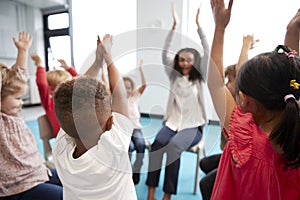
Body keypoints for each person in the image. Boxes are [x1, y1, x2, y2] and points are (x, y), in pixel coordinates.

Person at [208, 0, 300, 199]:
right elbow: (290, 75)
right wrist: (293, 31)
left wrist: (219, 28)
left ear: (244, 100)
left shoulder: (246, 138)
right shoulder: (294, 135)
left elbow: (215, 84)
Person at [52, 34, 137, 200]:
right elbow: (120, 96)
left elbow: (74, 99)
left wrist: (99, 62)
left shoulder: (60, 149)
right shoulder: (114, 147)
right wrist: (108, 57)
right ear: (111, 122)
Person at [146, 3, 208, 200]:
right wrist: (174, 26)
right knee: (157, 145)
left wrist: (199, 26)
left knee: (173, 148)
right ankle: (151, 191)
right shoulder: (173, 77)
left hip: (193, 127)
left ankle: (167, 194)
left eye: (188, 59)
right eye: (181, 60)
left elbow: (207, 49)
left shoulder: (200, 77)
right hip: (172, 123)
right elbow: (164, 53)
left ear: (194, 61)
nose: (184, 63)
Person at [0, 32, 62, 200]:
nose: (21, 103)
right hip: (19, 187)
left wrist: (23, 51)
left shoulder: (14, 116)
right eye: (18, 99)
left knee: (77, 182)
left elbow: (19, 75)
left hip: (39, 172)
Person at [199, 34, 258, 200]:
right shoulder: (238, 109)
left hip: (240, 160)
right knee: (205, 164)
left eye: (230, 81)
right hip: (231, 154)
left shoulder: (240, 115)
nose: (227, 84)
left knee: (207, 184)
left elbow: (223, 80)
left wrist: (221, 28)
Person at [31, 54, 78, 137]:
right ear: (50, 89)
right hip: (66, 141)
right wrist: (40, 64)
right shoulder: (49, 102)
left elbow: (81, 82)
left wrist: (69, 68)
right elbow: (42, 84)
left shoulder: (72, 99)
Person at [126, 58, 147, 185]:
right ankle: (127, 172)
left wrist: (140, 69)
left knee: (140, 145)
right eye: (123, 87)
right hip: (124, 130)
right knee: (129, 147)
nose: (126, 90)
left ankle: (137, 169)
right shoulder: (115, 98)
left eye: (128, 87)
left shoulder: (134, 97)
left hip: (136, 128)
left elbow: (144, 85)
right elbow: (107, 85)